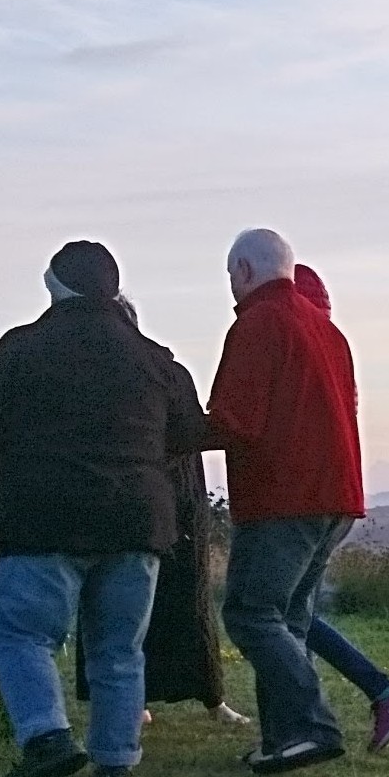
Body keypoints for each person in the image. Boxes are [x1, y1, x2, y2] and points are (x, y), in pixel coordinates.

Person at [0, 241, 209, 777]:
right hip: (138, 522)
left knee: (21, 632)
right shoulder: (155, 357)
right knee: (119, 646)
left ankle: (47, 737)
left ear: (54, 285)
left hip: (44, 519)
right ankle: (116, 758)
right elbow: (189, 432)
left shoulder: (21, 349)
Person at [205, 229, 366, 774]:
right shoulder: (327, 329)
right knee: (289, 619)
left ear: (246, 271)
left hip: (283, 495)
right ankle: (283, 740)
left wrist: (168, 431)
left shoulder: (258, 324)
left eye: (231, 277)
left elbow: (235, 420)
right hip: (336, 495)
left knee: (250, 614)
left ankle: (313, 727)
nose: (231, 290)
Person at [72, 296, 249, 728]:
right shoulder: (96, 374)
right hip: (129, 501)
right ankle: (133, 700)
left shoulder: (161, 369)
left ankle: (209, 695)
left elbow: (190, 431)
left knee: (187, 599)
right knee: (118, 606)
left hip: (175, 495)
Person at [290, 264, 389, 750]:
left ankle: (370, 694)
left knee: (277, 614)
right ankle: (375, 693)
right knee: (294, 614)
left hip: (302, 500)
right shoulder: (334, 347)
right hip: (339, 500)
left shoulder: (297, 345)